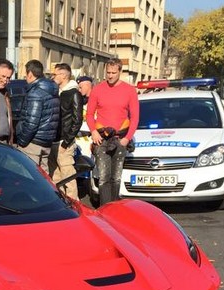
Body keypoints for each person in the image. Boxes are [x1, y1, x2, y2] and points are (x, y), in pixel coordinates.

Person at [85, 58, 139, 206]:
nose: (110, 76)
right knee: (104, 178)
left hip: (120, 139)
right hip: (101, 139)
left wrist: (127, 138)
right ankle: (105, 209)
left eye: (113, 73)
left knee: (116, 178)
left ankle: (115, 209)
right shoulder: (97, 89)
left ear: (120, 72)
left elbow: (135, 117)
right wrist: (94, 131)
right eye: (108, 72)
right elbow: (89, 114)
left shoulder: (129, 90)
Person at [15, 59, 59, 174]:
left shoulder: (36, 93)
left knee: (28, 176)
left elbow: (31, 122)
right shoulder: (52, 90)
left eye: (26, 74)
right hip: (46, 141)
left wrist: (22, 141)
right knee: (44, 178)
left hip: (33, 143)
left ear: (30, 74)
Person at [49, 63, 83, 200]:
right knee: (55, 177)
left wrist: (66, 142)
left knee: (68, 177)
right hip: (53, 140)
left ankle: (74, 204)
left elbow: (77, 120)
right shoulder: (56, 92)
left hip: (64, 142)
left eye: (55, 74)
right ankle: (60, 203)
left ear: (63, 75)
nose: (52, 77)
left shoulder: (73, 93)